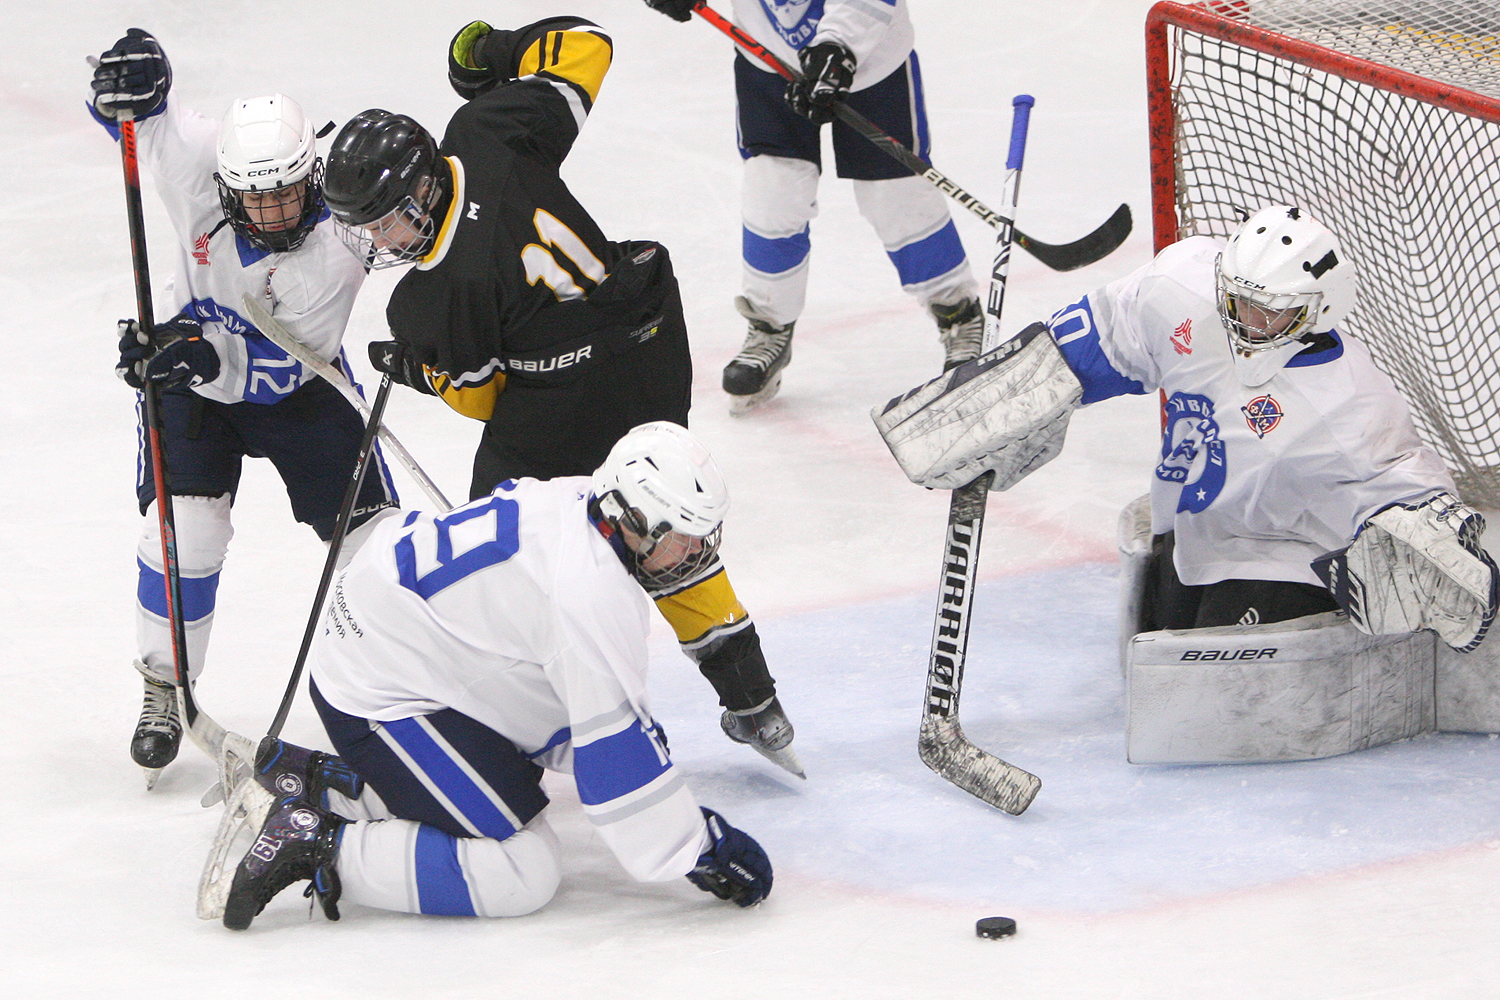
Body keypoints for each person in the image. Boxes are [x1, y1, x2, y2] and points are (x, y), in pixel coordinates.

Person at [319, 15, 801, 773]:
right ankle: (752, 698)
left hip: (559, 407)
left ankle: (533, 716)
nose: (380, 242)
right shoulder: (483, 131)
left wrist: (419, 369)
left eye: (383, 222)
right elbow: (587, 44)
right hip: (644, 342)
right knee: (658, 512)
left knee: (500, 550)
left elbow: (482, 398)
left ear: (419, 192)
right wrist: (493, 55)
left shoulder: (431, 297)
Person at [213, 423, 773, 929]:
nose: (698, 551)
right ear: (636, 521)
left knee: (517, 786)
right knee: (522, 869)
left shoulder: (579, 496)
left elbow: (545, 683)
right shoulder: (589, 588)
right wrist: (698, 847)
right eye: (687, 536)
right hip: (377, 689)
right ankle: (319, 843)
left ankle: (324, 784)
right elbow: (614, 760)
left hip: (386, 636)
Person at [875, 205, 1497, 648]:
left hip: (1282, 558)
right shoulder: (1184, 286)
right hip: (1194, 535)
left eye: (1267, 314)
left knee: (1210, 692)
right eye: (1236, 301)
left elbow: (1407, 488)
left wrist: (1433, 546)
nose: (1242, 323)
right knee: (1151, 647)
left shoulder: (1350, 405)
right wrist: (1000, 401)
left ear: (1317, 312)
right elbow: (1105, 338)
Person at [88, 29, 398, 781]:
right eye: (256, 198)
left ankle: (403, 691)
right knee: (185, 533)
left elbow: (273, 374)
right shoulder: (199, 156)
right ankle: (166, 682)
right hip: (192, 390)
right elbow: (138, 124)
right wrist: (124, 90)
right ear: (226, 185)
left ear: (311, 177)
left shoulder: (336, 250)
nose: (274, 210)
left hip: (299, 388)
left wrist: (198, 351)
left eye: (288, 192)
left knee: (376, 547)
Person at [643, 0, 985, 411]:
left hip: (870, 63)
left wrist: (839, 45)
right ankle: (769, 326)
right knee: (773, 191)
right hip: (766, 58)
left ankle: (957, 311)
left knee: (896, 198)